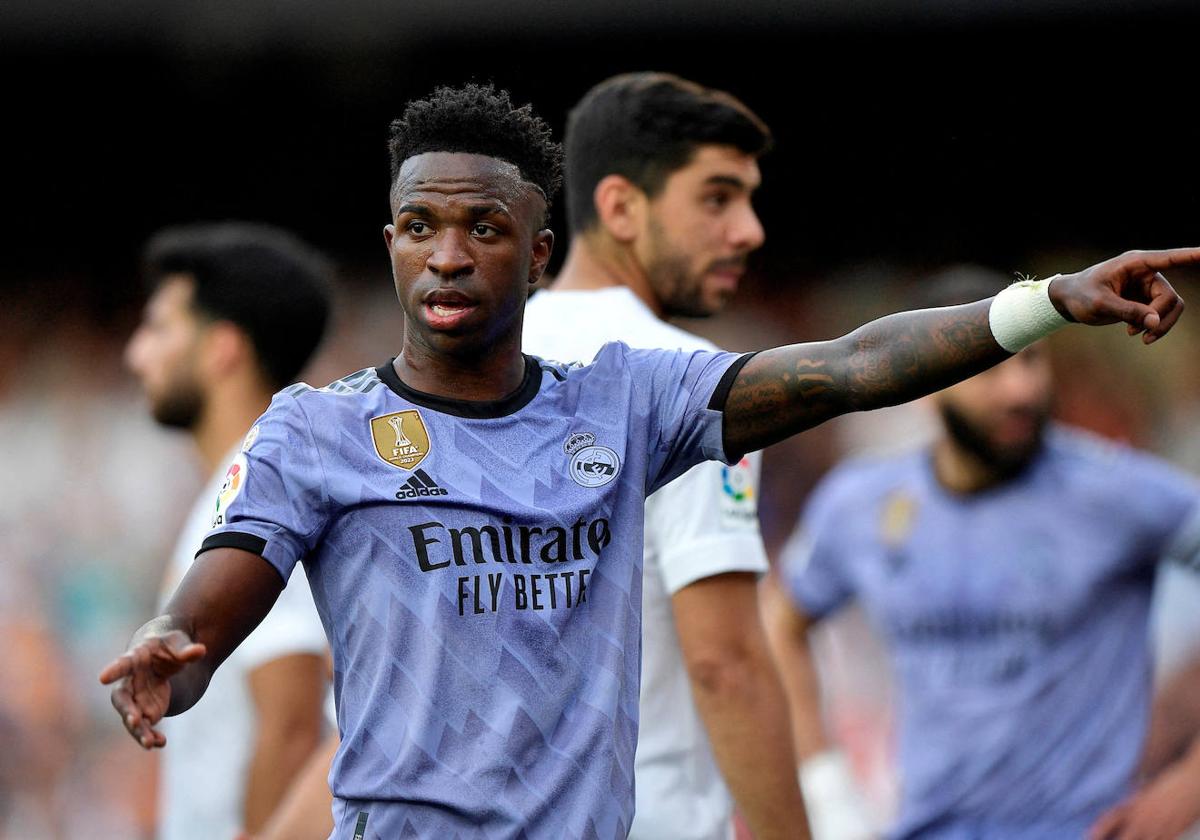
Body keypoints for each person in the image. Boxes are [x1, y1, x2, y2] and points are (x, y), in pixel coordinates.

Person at [100, 83, 1192, 839]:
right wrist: (170, 653)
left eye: (482, 228)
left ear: (536, 253)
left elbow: (849, 367)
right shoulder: (317, 431)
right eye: (417, 224)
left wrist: (1042, 305)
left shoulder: (628, 401)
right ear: (388, 240)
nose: (445, 253)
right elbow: (219, 596)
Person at [762, 267, 1200, 840]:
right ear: (925, 383)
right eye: (989, 369)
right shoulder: (861, 505)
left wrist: (1189, 784)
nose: (1020, 391)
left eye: (1030, 361)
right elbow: (780, 622)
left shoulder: (1120, 493)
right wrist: (828, 793)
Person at [522, 72, 806, 840]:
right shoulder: (696, 384)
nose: (749, 230)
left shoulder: (464, 373)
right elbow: (727, 664)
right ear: (619, 207)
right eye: (716, 197)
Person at [124, 223, 333, 840]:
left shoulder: (266, 492)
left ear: (223, 348)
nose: (136, 354)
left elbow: (292, 719)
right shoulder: (235, 483)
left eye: (159, 327)